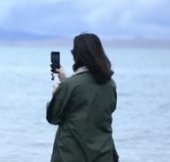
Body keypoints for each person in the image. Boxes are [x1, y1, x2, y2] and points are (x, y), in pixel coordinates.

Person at [46, 33, 118, 162]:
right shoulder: (110, 84)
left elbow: (53, 117)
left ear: (77, 55)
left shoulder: (69, 85)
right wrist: (66, 82)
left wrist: (56, 93)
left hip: (71, 155)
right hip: (104, 154)